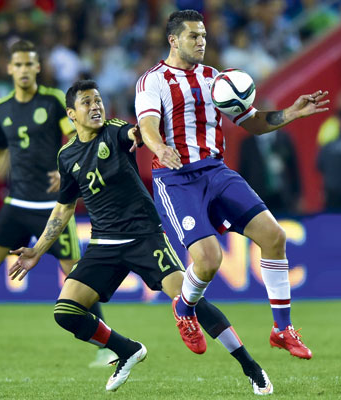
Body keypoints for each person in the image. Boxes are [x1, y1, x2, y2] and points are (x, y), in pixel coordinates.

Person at [9, 80, 273, 395]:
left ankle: (251, 366)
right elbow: (64, 207)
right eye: (87, 103)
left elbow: (134, 133)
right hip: (104, 243)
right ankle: (127, 350)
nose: (96, 107)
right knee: (65, 311)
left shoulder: (115, 131)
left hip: (144, 236)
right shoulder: (66, 156)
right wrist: (38, 250)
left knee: (189, 301)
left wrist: (141, 134)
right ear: (71, 114)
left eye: (98, 100)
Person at [135, 9, 329, 360]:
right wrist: (160, 147)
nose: (201, 41)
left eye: (204, 36)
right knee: (208, 260)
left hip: (216, 171)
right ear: (173, 40)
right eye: (193, 36)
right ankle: (184, 309)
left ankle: (282, 329)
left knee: (274, 236)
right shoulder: (154, 81)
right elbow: (147, 125)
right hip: (176, 178)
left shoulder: (216, 79)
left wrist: (290, 113)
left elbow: (252, 122)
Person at [0, 40, 114, 369]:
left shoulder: (51, 102)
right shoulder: (1, 108)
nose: (22, 70)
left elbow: (78, 132)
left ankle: (106, 346)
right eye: (17, 65)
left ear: (37, 68)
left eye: (28, 64)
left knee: (75, 277)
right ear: (9, 68)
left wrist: (69, 171)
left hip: (52, 207)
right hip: (16, 205)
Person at [238, 101, 301, 215]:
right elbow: (243, 172)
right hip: (259, 197)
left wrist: (297, 195)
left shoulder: (284, 138)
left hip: (284, 196)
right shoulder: (247, 144)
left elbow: (294, 168)